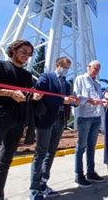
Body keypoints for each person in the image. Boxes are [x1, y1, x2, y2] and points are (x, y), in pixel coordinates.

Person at [0, 40, 36, 200]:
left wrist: (35, 97)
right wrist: (8, 92)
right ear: (13, 50)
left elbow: (26, 96)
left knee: (5, 162)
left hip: (18, 121)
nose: (26, 55)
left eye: (29, 53)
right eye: (23, 51)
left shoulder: (27, 75)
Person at [29, 56, 76, 200]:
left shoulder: (67, 84)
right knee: (41, 153)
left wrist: (74, 102)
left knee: (51, 153)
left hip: (61, 120)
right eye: (64, 66)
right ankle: (34, 190)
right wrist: (63, 100)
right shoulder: (46, 77)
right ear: (57, 64)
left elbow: (68, 99)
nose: (66, 70)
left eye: (68, 68)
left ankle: (44, 184)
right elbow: (41, 95)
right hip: (46, 119)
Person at [73, 60, 104, 188]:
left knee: (92, 147)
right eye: (94, 68)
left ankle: (90, 172)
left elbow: (99, 98)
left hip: (96, 117)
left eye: (98, 69)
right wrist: (89, 101)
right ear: (88, 67)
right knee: (81, 147)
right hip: (85, 117)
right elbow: (76, 96)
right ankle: (79, 175)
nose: (96, 71)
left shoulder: (97, 83)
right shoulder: (80, 79)